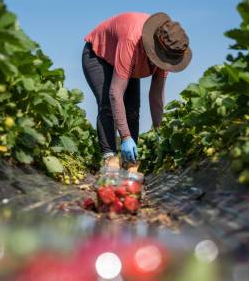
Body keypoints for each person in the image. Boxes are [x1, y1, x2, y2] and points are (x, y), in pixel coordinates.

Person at [82, 12, 192, 168]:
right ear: (156, 50)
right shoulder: (131, 40)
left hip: (131, 59)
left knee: (133, 109)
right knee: (107, 102)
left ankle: (130, 161)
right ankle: (110, 158)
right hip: (99, 56)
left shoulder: (167, 53)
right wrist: (125, 138)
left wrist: (159, 130)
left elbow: (156, 96)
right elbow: (116, 92)